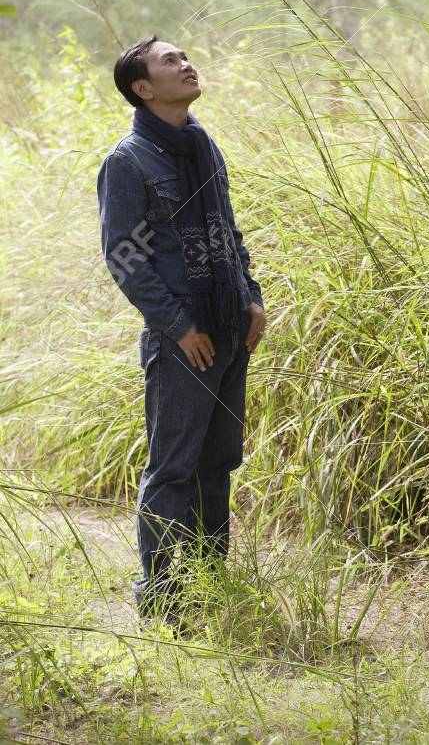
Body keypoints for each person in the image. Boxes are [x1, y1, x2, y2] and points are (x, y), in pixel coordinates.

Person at [96, 35, 267, 626]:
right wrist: (177, 326)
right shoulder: (128, 161)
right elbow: (123, 256)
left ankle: (210, 585)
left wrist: (252, 298)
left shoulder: (202, 145)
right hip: (182, 340)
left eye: (184, 56)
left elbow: (228, 229)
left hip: (228, 328)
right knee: (173, 467)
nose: (186, 64)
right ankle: (164, 602)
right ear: (143, 89)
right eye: (170, 61)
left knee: (217, 463)